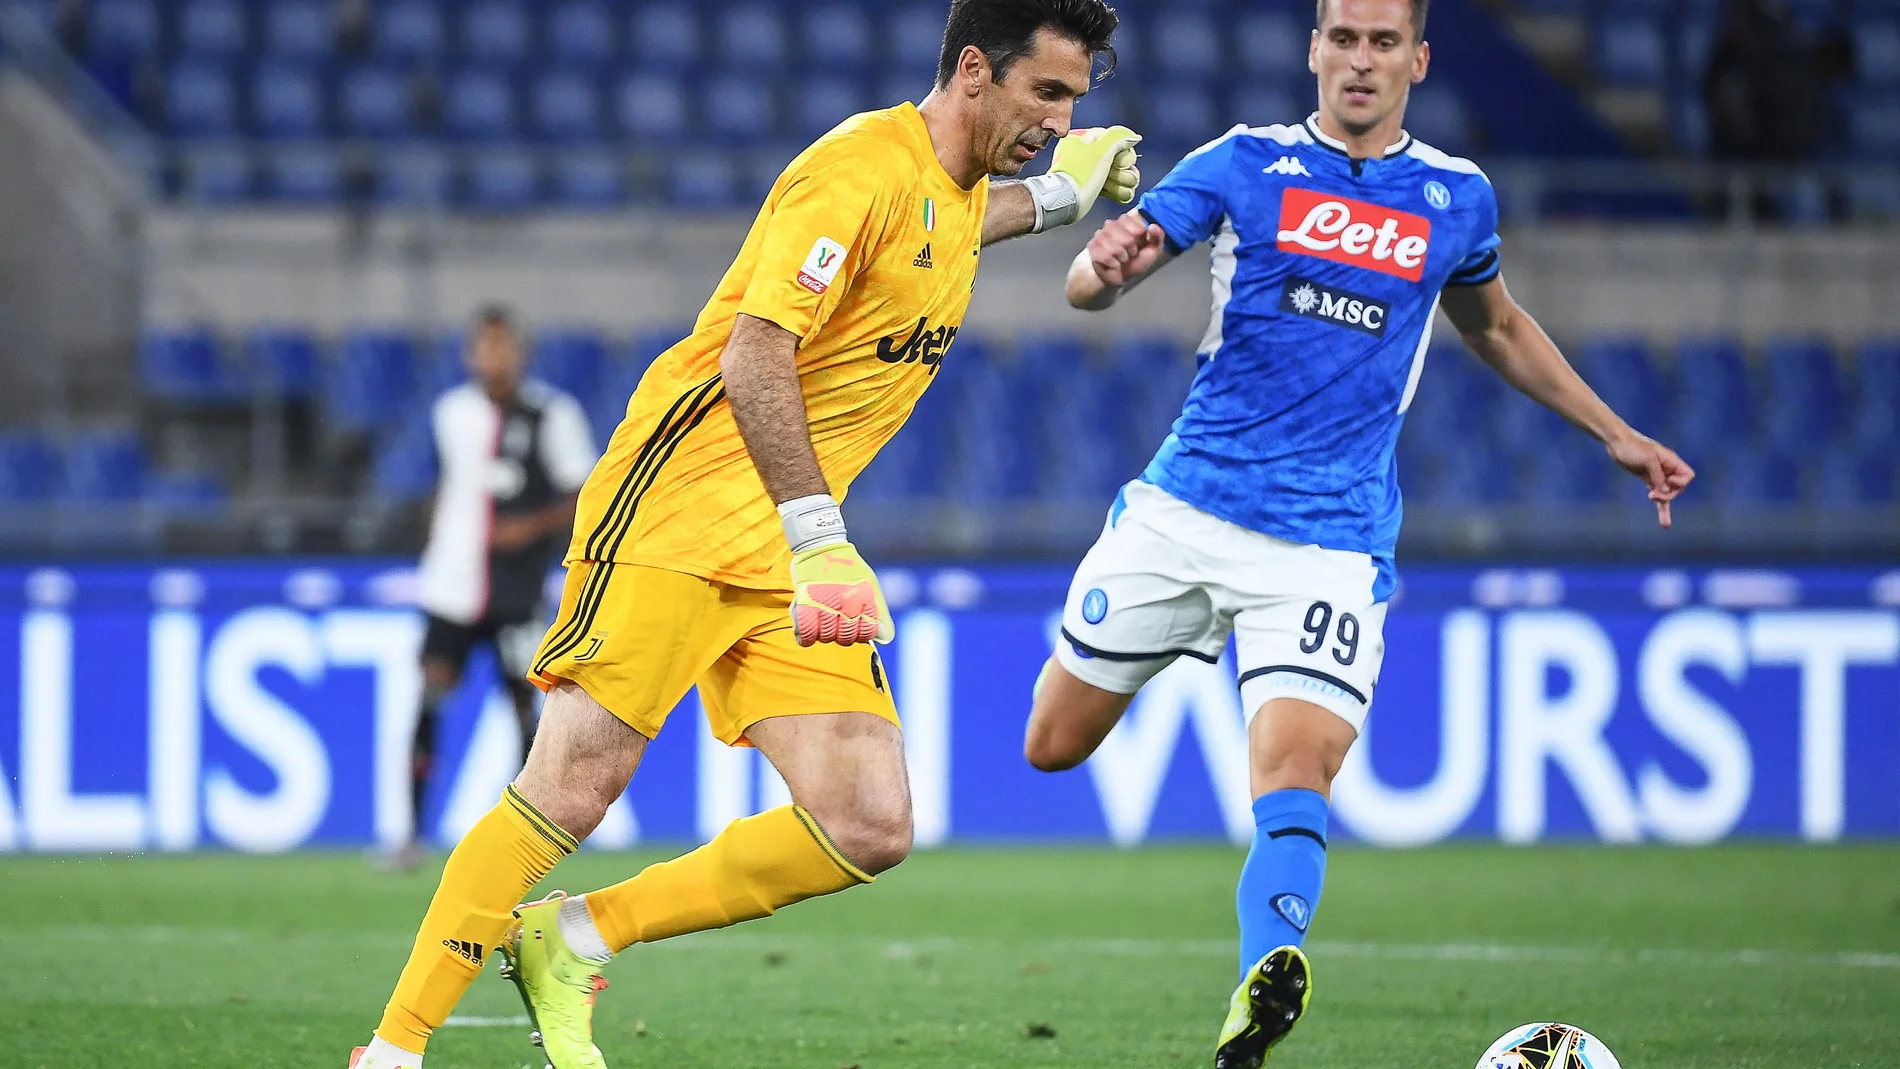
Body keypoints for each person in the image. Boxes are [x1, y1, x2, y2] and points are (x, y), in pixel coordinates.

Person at [346, 2, 1143, 1066]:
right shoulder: (854, 168)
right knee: (573, 784)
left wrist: (1058, 196)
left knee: (867, 821)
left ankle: (575, 936)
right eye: (1045, 92)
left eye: (1074, 101)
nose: (1059, 116)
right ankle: (392, 1051)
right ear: (971, 71)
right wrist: (819, 534)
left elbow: (955, 222)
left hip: (776, 543)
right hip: (677, 508)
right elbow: (755, 353)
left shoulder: (947, 188)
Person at [1021, 0, 1696, 1066]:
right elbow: (1097, 276)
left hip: (1328, 544)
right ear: (1313, 50)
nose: (1361, 60)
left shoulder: (1454, 199)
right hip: (1184, 510)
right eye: (1343, 38)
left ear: (1418, 60)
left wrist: (1612, 432)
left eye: (1384, 42)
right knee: (1050, 744)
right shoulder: (1243, 164)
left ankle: (1262, 979)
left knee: (1297, 766)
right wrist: (1098, 269)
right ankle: (1261, 954)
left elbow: (1499, 327)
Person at [394, 306, 599, 870]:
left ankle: (531, 839)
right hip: (451, 585)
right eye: (484, 346)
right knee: (431, 697)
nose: (493, 356)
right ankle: (409, 835)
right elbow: (447, 486)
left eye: (503, 345)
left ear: (521, 352)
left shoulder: (553, 414)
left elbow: (582, 493)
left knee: (526, 710)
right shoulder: (450, 413)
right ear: (469, 354)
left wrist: (528, 528)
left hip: (517, 589)